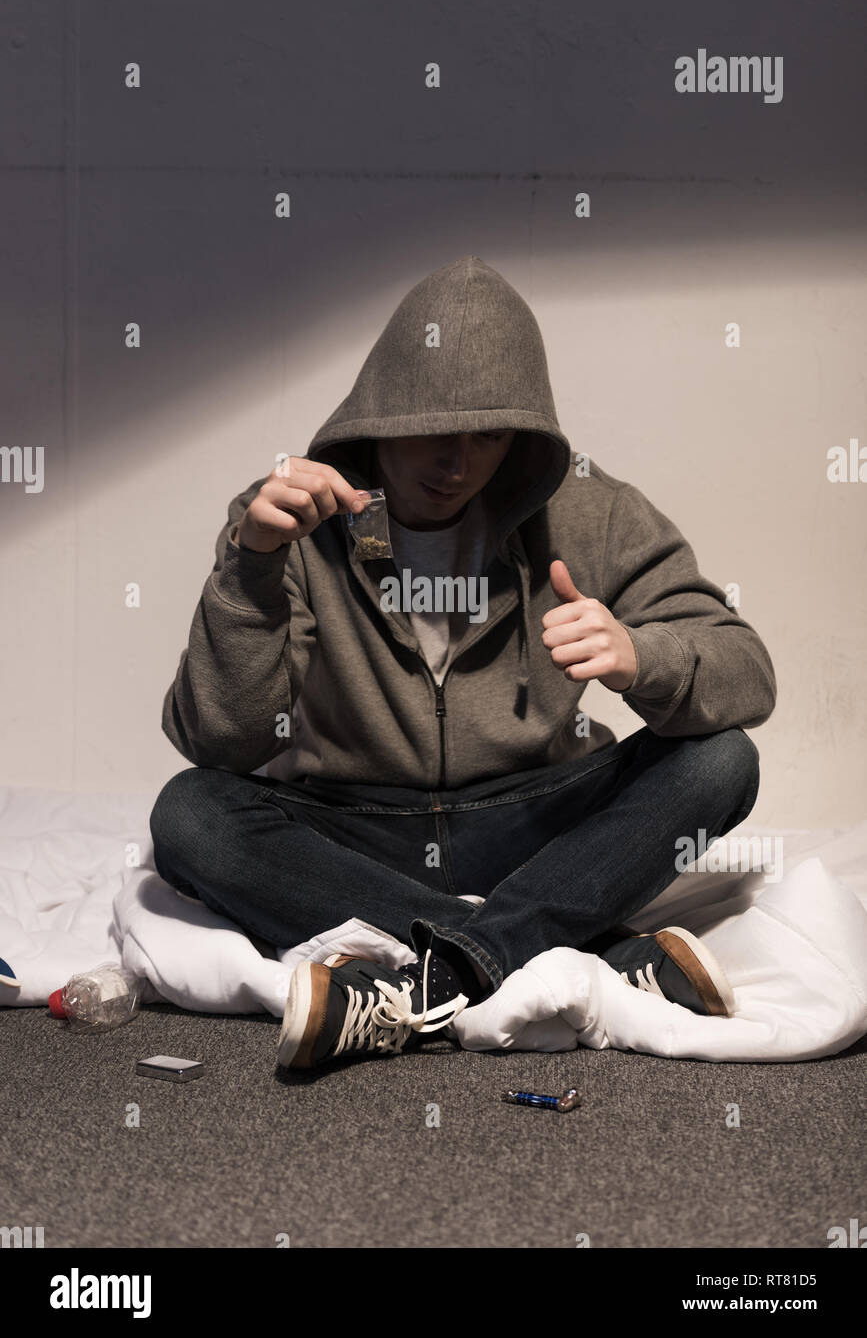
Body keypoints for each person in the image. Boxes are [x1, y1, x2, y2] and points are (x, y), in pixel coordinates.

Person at [150, 254, 775, 1070]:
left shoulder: (592, 513)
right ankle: (571, 955)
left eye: (487, 435)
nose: (458, 462)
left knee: (721, 759)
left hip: (529, 820)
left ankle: (437, 967)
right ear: (378, 418)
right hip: (354, 825)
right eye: (434, 431)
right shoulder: (288, 519)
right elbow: (220, 741)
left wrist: (641, 656)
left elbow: (747, 673)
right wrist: (251, 567)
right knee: (189, 812)